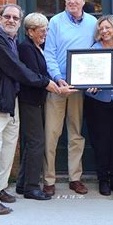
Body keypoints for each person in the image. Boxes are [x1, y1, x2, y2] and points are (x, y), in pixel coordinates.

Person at [0, 4, 60, 215]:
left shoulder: (11, 41)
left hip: (10, 101)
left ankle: (1, 188)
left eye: (15, 17)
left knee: (7, 149)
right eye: (7, 16)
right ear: (0, 18)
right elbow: (16, 69)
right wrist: (45, 83)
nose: (11, 20)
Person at [15, 13, 76, 200]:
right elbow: (33, 76)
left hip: (36, 101)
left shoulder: (36, 47)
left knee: (32, 142)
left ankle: (22, 183)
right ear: (30, 31)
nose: (46, 34)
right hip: (29, 101)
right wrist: (57, 88)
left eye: (47, 30)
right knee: (36, 142)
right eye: (42, 31)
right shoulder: (26, 48)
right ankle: (32, 188)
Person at [43, 0, 97, 196]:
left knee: (76, 133)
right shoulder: (55, 22)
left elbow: (96, 53)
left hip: (79, 88)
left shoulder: (93, 23)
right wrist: (58, 79)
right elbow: (49, 53)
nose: (72, 2)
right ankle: (49, 179)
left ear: (83, 0)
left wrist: (94, 78)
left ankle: (75, 178)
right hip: (57, 86)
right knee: (52, 134)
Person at [84, 15, 113, 196]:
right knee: (101, 141)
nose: (104, 31)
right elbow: (87, 76)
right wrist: (91, 88)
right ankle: (103, 179)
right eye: (101, 28)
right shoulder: (93, 49)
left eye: (107, 28)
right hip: (98, 102)